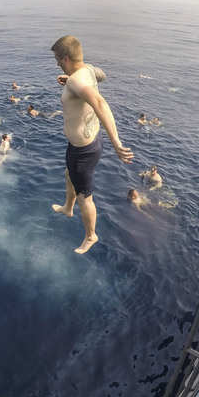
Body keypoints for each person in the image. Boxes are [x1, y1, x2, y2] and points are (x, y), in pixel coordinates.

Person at [49, 35, 133, 254]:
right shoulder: (86, 70)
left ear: (66, 58)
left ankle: (91, 236)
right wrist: (69, 80)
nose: (58, 64)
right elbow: (101, 76)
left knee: (85, 197)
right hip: (80, 144)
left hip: (84, 150)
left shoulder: (78, 79)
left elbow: (99, 103)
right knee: (69, 175)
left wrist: (116, 142)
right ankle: (68, 208)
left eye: (58, 60)